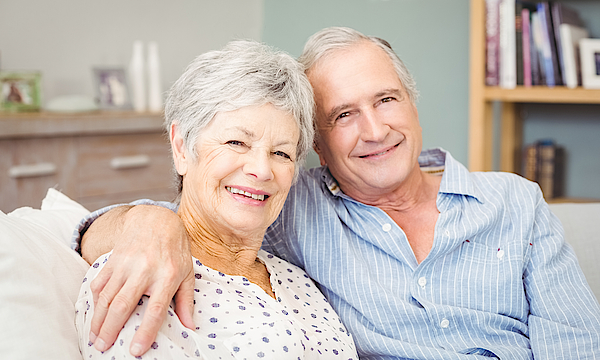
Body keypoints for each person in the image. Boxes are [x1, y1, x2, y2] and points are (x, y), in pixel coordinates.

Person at [74, 27, 600, 359]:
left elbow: (576, 345)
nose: (374, 131)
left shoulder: (517, 202)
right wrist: (149, 222)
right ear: (319, 148)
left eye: (386, 100)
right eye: (343, 115)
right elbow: (198, 214)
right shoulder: (289, 202)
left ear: (414, 109)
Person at [75, 39, 358, 359]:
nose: (262, 170)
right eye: (236, 142)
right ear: (181, 147)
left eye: (281, 153)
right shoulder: (139, 269)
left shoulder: (298, 280)